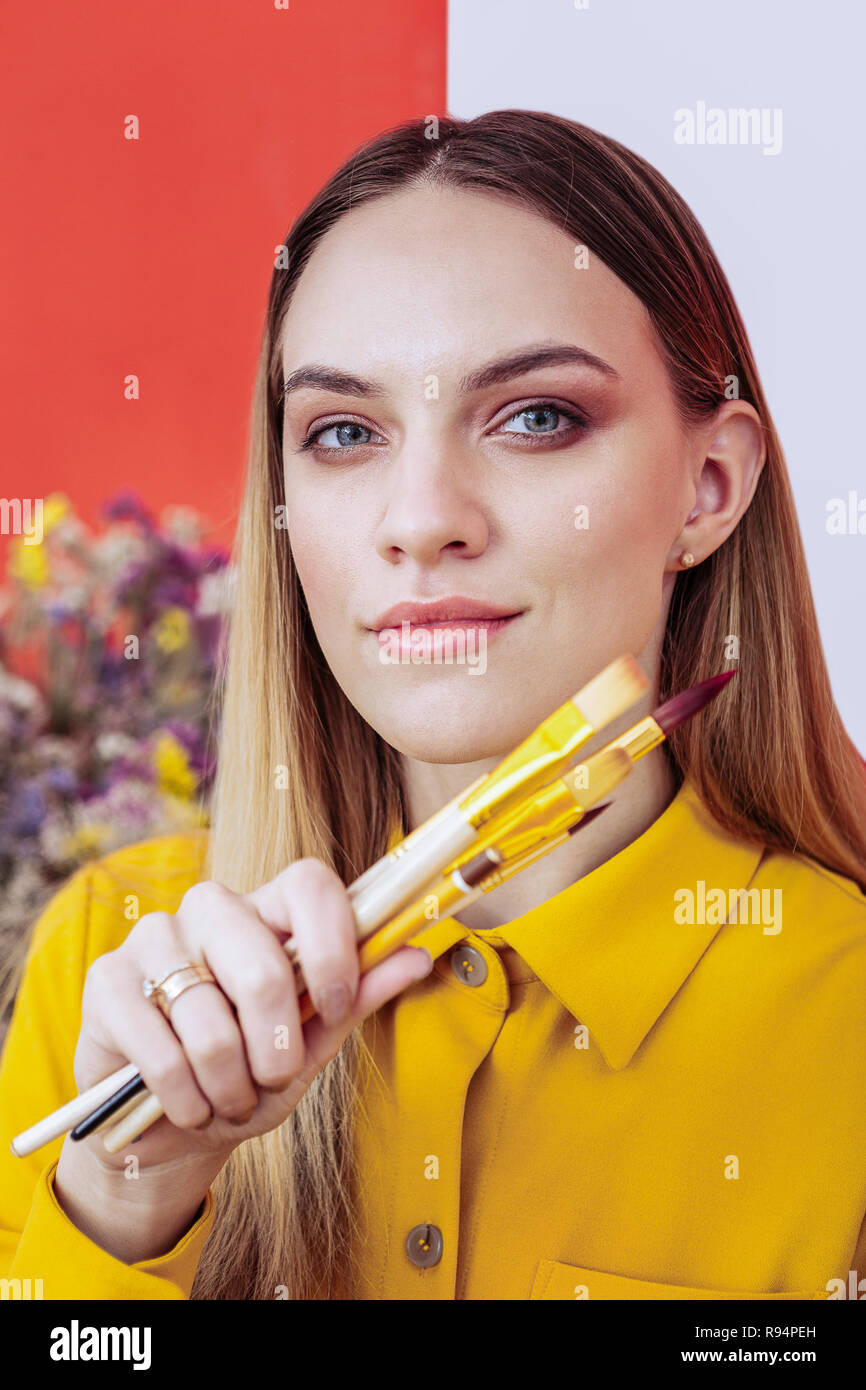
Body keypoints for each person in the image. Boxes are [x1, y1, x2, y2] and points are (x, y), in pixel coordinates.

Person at [2, 110, 865, 1302]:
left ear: (706, 487)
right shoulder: (116, 963)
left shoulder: (842, 1009)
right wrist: (126, 1204)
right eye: (344, 432)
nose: (420, 518)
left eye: (534, 417)